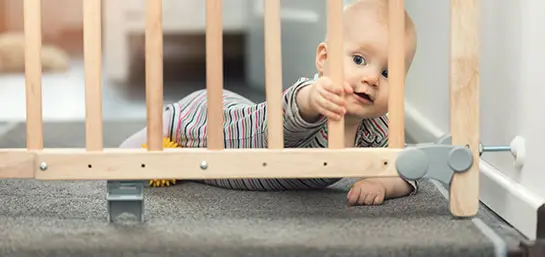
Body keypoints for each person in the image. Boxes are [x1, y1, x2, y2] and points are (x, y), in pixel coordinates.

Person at [119, 0, 418, 206]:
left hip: (234, 150)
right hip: (213, 119)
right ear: (324, 59)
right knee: (167, 125)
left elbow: (406, 171)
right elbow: (290, 115)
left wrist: (382, 184)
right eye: (359, 60)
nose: (372, 79)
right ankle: (119, 158)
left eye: (388, 72)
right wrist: (313, 99)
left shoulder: (376, 130)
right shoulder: (313, 95)